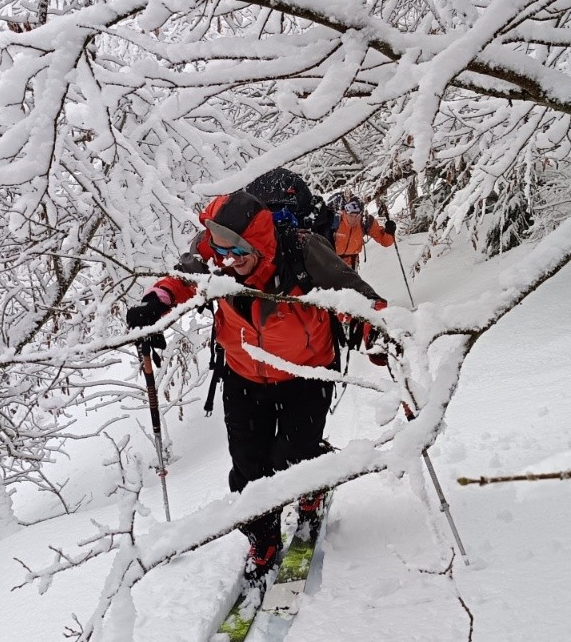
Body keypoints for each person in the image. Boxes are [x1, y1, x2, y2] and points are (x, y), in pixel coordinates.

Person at [125, 190, 387, 581]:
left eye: (238, 254)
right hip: (244, 373)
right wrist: (153, 305)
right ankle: (262, 538)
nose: (226, 262)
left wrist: (377, 332)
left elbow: (357, 295)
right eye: (220, 252)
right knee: (248, 469)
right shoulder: (215, 250)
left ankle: (312, 482)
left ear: (261, 245)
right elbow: (180, 280)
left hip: (306, 372)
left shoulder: (305, 251)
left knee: (293, 454)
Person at [323, 191, 396, 268]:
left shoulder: (365, 221)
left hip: (352, 265)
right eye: (351, 216)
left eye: (357, 216)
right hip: (330, 264)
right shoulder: (335, 220)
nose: (354, 219)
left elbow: (385, 242)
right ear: (345, 213)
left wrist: (389, 232)